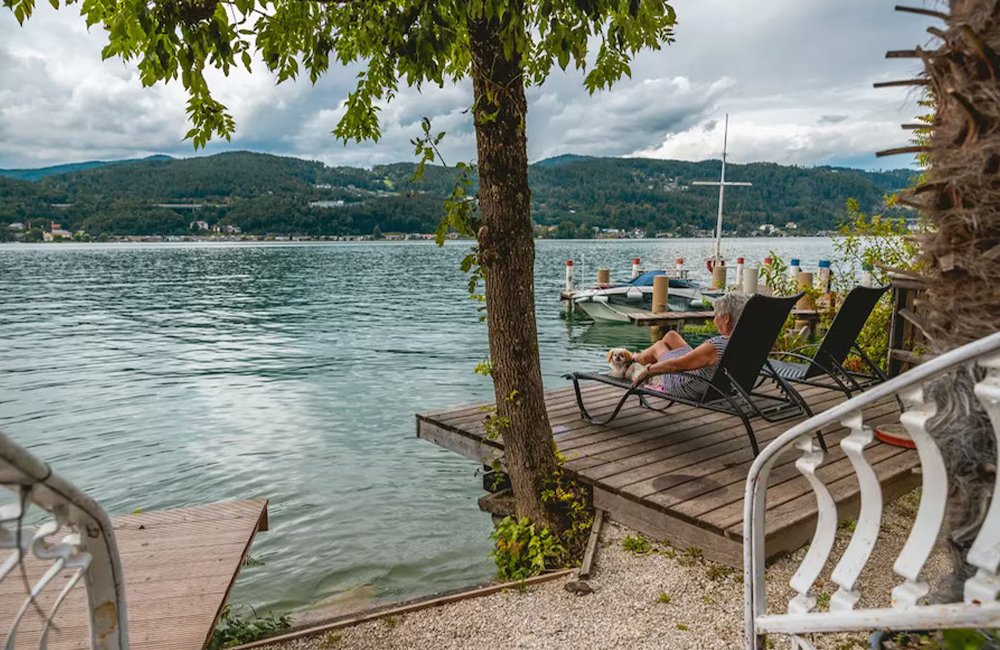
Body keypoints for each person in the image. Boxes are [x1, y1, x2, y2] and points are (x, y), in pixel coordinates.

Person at [629, 292, 749, 399]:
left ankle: (634, 358)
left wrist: (648, 370)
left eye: (716, 316)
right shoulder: (745, 340)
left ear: (726, 318)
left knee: (659, 346)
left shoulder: (716, 346)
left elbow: (675, 366)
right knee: (671, 336)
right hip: (720, 383)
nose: (714, 321)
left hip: (684, 385)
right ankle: (637, 356)